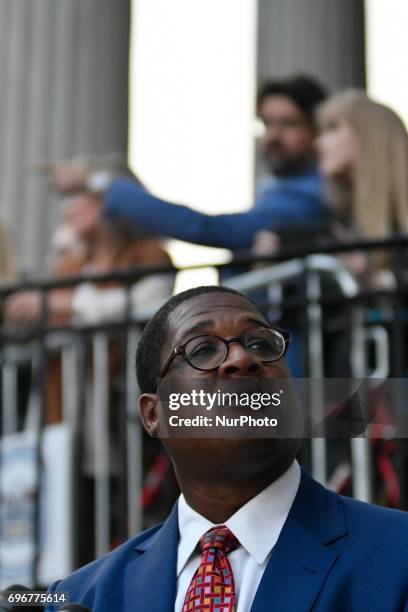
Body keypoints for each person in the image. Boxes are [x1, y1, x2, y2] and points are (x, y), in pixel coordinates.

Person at [46, 286, 408, 611]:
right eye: (203, 349)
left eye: (261, 344)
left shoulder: (397, 554)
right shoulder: (81, 599)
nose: (242, 359)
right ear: (154, 414)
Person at [50, 75, 330, 251]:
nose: (271, 137)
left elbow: (205, 228)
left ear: (317, 131)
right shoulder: (280, 189)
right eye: (266, 124)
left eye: (288, 124)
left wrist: (97, 181)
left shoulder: (310, 194)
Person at [316, 89, 408, 281]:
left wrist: (372, 279)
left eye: (332, 129)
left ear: (369, 137)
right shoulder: (343, 219)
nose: (318, 143)